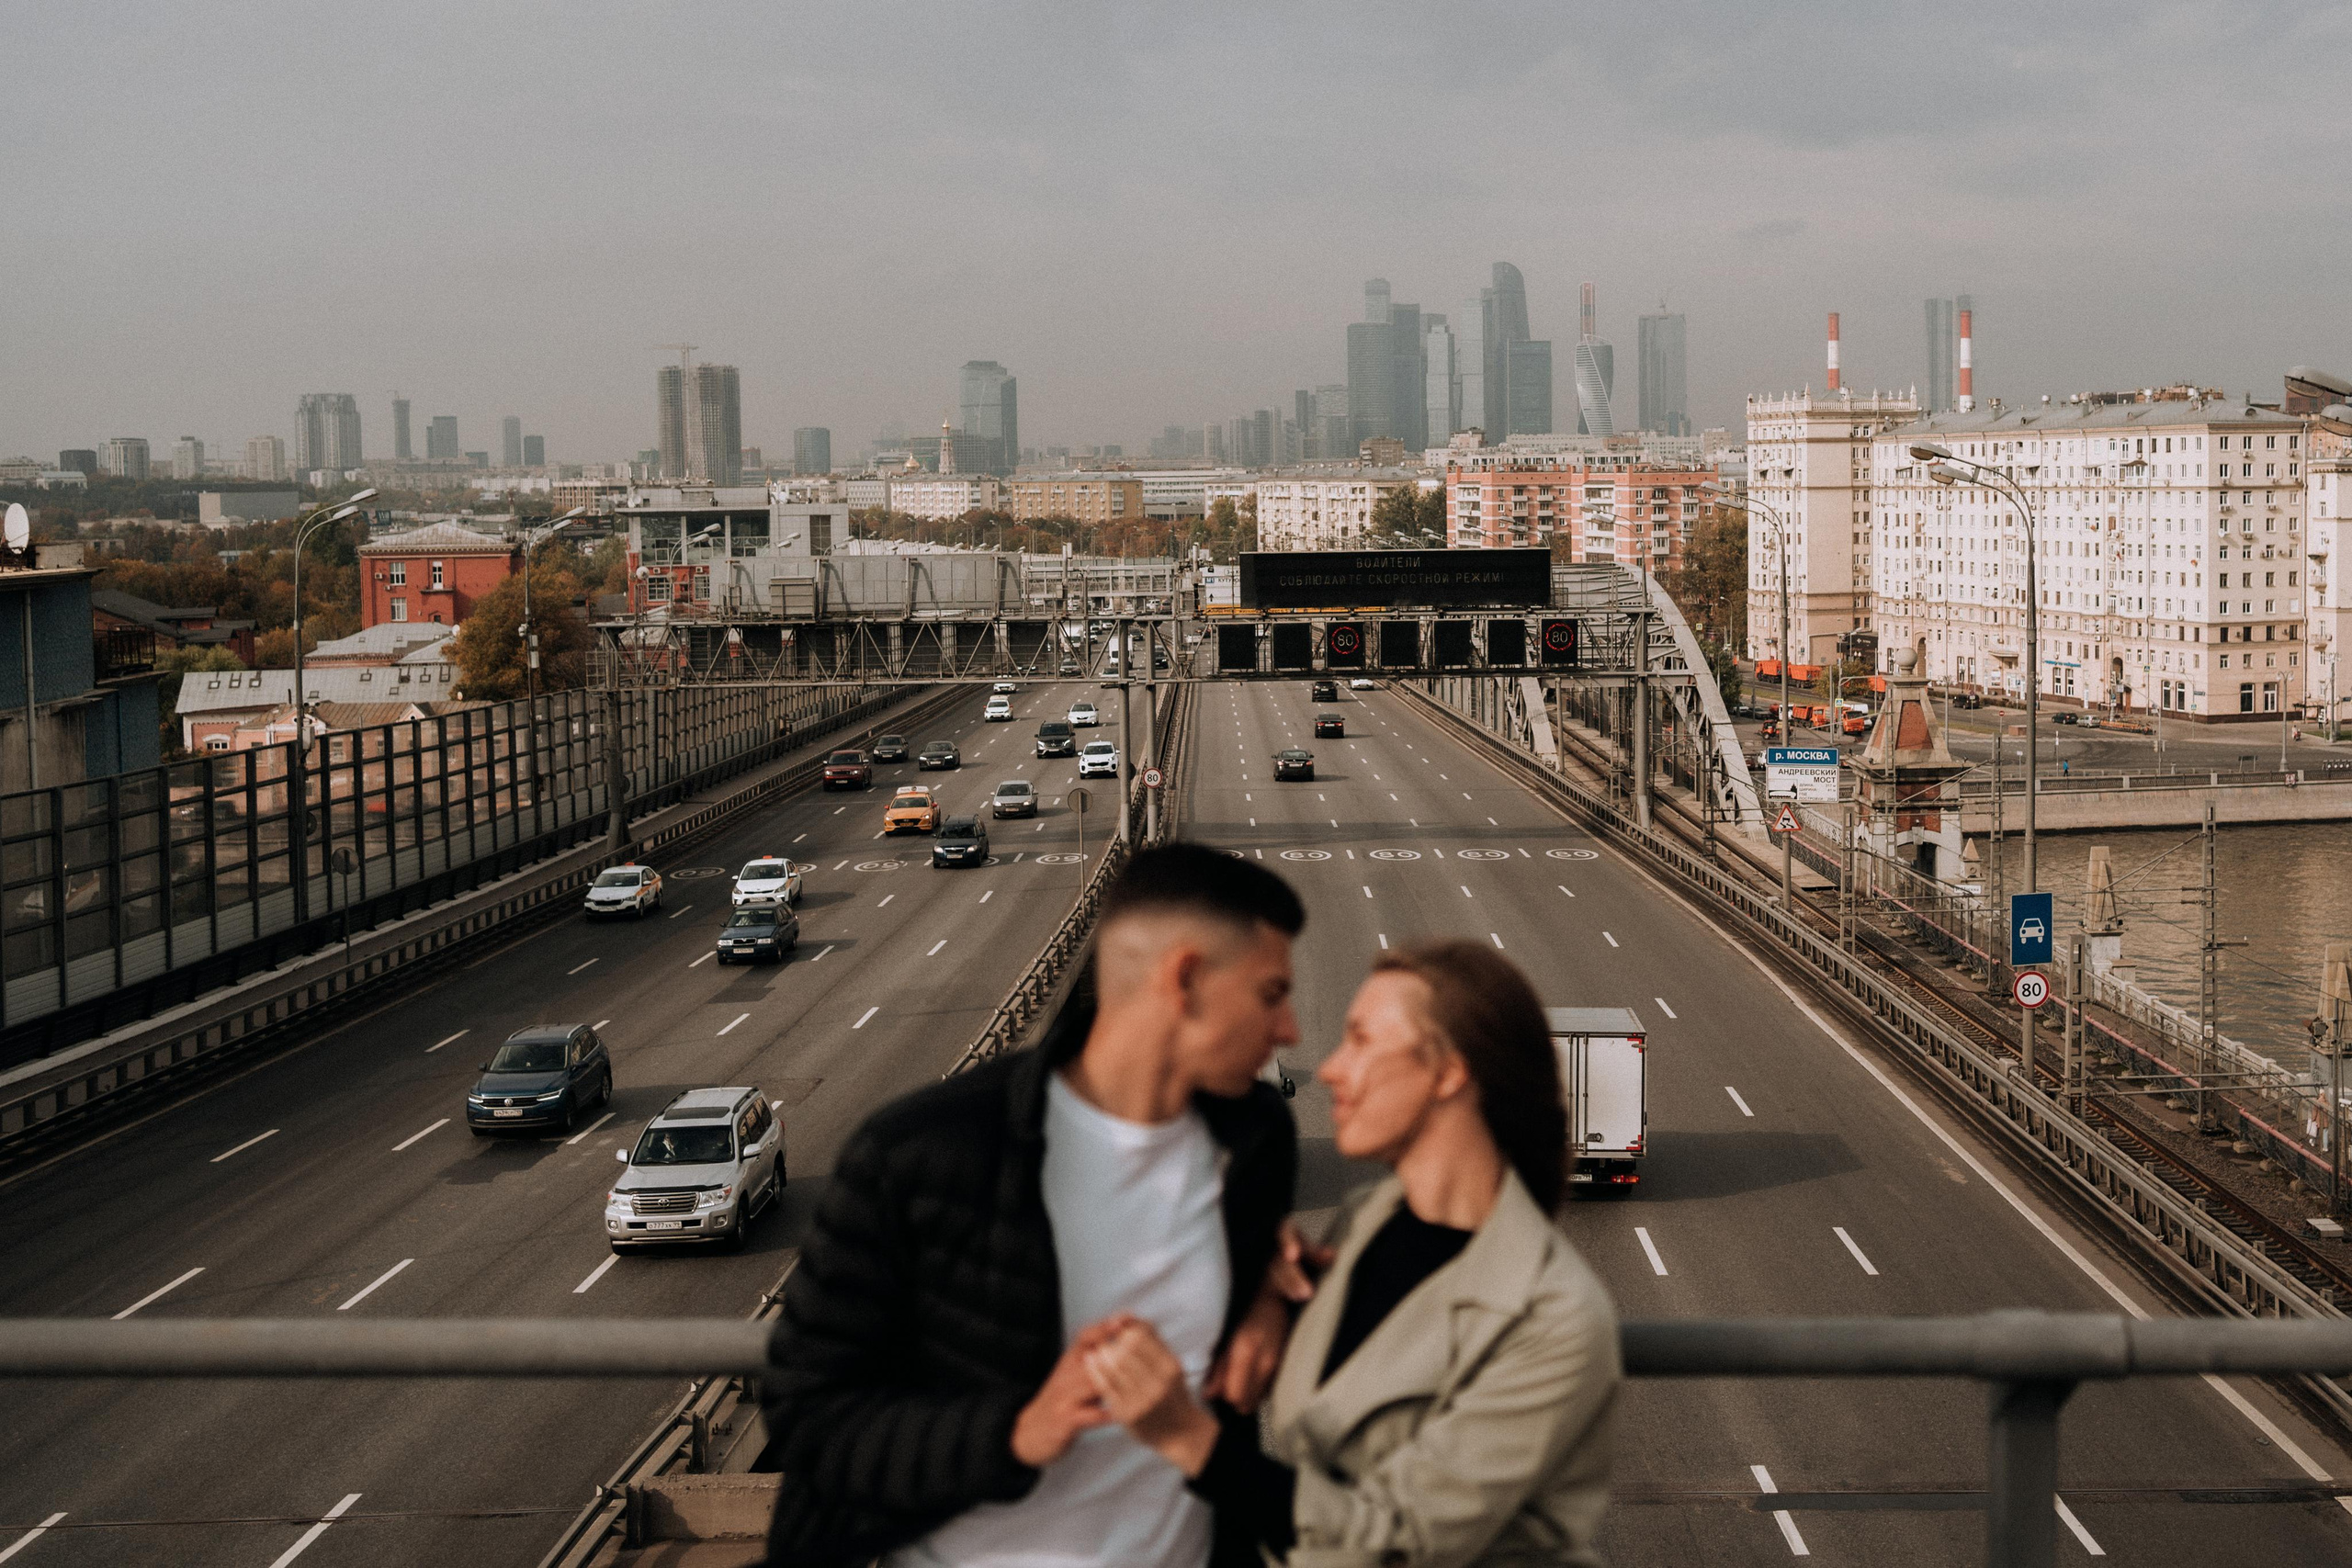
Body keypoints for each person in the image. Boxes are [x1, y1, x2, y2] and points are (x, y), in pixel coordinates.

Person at [763, 842, 1309, 1568]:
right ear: (1185, 980)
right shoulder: (920, 1155)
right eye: (1271, 994)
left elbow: (1243, 1287)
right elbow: (807, 1418)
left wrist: (1271, 1305)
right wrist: (1017, 1429)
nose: (1290, 1031)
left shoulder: (1256, 1141)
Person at [1084, 941, 1621, 1568]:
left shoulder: (1554, 1317)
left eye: (1360, 1040)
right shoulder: (1365, 1219)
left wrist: (1188, 1438)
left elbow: (1399, 1541)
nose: (1332, 1069)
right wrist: (1262, 1285)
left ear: (1450, 1071)